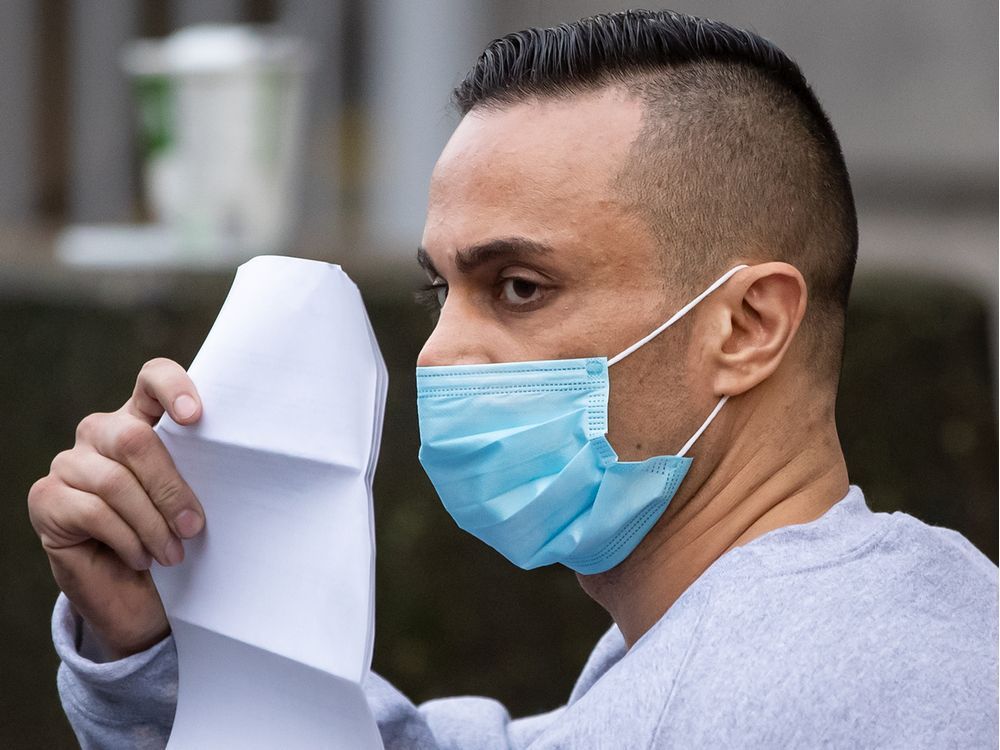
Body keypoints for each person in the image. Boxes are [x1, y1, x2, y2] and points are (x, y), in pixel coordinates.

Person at [29, 9, 997, 749]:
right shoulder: (895, 608)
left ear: (746, 327)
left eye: (520, 287)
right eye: (438, 291)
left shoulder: (774, 698)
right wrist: (167, 634)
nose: (441, 352)